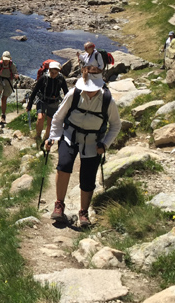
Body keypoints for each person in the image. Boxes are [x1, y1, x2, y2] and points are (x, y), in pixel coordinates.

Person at [44, 74, 121, 228]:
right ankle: (59, 205)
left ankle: (83, 212)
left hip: (93, 142)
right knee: (64, 165)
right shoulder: (74, 94)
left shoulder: (107, 101)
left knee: (88, 177)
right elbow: (58, 117)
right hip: (69, 136)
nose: (88, 91)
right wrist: (52, 137)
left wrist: (105, 144)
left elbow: (116, 125)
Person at [26, 61, 68, 143]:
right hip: (42, 100)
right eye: (52, 72)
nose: (53, 75)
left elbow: (66, 92)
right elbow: (35, 91)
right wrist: (29, 104)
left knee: (51, 122)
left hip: (54, 102)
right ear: (49, 70)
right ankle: (38, 136)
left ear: (58, 72)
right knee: (40, 118)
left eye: (55, 73)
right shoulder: (43, 78)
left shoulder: (61, 79)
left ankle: (46, 138)